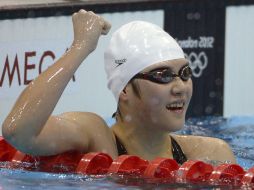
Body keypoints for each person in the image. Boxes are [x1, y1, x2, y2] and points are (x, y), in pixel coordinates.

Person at [2, 10, 236, 165]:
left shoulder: (211, 155)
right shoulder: (97, 137)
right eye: (163, 75)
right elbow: (18, 131)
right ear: (124, 89)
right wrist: (80, 47)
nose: (180, 87)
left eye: (185, 73)